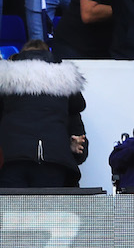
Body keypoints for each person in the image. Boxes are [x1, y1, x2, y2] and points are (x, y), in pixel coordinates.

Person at [0, 41, 88, 188]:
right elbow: (81, 151)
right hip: (53, 162)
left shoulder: (4, 81)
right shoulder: (67, 88)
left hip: (11, 161)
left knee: (10, 210)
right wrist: (69, 146)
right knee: (48, 211)